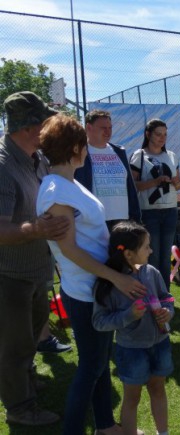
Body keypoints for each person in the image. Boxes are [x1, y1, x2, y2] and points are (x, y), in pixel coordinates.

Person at [36, 113, 147, 434]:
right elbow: (69, 250)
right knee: (91, 367)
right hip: (85, 291)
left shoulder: (68, 184)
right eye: (83, 143)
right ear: (75, 147)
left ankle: (105, 426)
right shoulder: (56, 190)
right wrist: (117, 277)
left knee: (98, 363)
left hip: (96, 287)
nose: (87, 148)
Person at [0, 91, 69, 426]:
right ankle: (20, 408)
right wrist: (37, 229)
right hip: (9, 274)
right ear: (29, 127)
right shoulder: (3, 166)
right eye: (45, 122)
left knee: (29, 338)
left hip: (36, 268)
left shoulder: (37, 158)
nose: (50, 128)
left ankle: (25, 382)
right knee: (13, 345)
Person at [93, 221, 174, 435]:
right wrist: (129, 315)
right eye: (146, 247)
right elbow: (99, 321)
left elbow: (166, 297)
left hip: (160, 343)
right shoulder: (109, 284)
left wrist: (168, 311)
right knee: (132, 398)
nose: (151, 251)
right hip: (131, 350)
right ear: (128, 254)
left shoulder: (151, 272)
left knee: (158, 388)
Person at [130, 119, 180, 288]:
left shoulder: (172, 156)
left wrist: (176, 183)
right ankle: (151, 293)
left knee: (166, 257)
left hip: (170, 211)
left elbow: (179, 185)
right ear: (148, 134)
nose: (162, 138)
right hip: (149, 212)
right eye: (158, 134)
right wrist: (155, 182)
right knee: (152, 256)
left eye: (165, 134)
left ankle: (165, 294)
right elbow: (132, 186)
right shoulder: (139, 156)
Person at [75, 109, 141, 230]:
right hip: (94, 222)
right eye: (103, 128)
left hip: (123, 222)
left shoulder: (119, 151)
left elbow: (130, 187)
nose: (108, 131)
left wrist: (136, 219)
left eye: (110, 127)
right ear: (89, 127)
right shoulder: (79, 152)